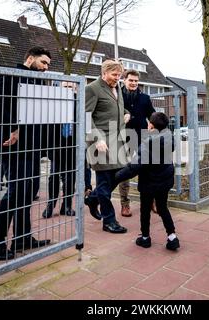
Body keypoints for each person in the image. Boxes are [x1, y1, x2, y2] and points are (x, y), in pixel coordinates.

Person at [0, 47, 52, 260]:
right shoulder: (11, 76)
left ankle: (23, 237)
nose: (45, 67)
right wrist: (13, 126)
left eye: (48, 64)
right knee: (15, 193)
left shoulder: (39, 82)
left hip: (32, 148)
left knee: (28, 192)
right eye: (42, 62)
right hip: (13, 147)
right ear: (29, 58)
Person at [115, 112, 180, 250]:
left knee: (145, 209)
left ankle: (145, 238)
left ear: (150, 125)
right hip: (164, 181)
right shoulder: (169, 138)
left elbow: (134, 168)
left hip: (148, 183)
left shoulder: (146, 144)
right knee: (163, 208)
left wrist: (116, 176)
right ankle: (172, 237)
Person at [84, 59, 130, 234]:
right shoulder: (93, 88)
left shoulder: (117, 87)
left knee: (118, 176)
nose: (117, 78)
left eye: (119, 75)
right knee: (104, 182)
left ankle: (93, 198)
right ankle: (109, 221)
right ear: (104, 73)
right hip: (101, 142)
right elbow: (86, 117)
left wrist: (126, 113)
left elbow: (115, 108)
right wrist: (97, 139)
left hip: (117, 141)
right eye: (114, 75)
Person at [118, 69, 155, 217]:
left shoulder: (145, 98)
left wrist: (153, 123)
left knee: (146, 169)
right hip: (123, 138)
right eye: (130, 80)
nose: (133, 83)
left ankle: (149, 201)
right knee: (124, 171)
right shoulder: (116, 95)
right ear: (124, 80)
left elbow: (152, 114)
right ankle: (124, 204)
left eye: (136, 81)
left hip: (142, 137)